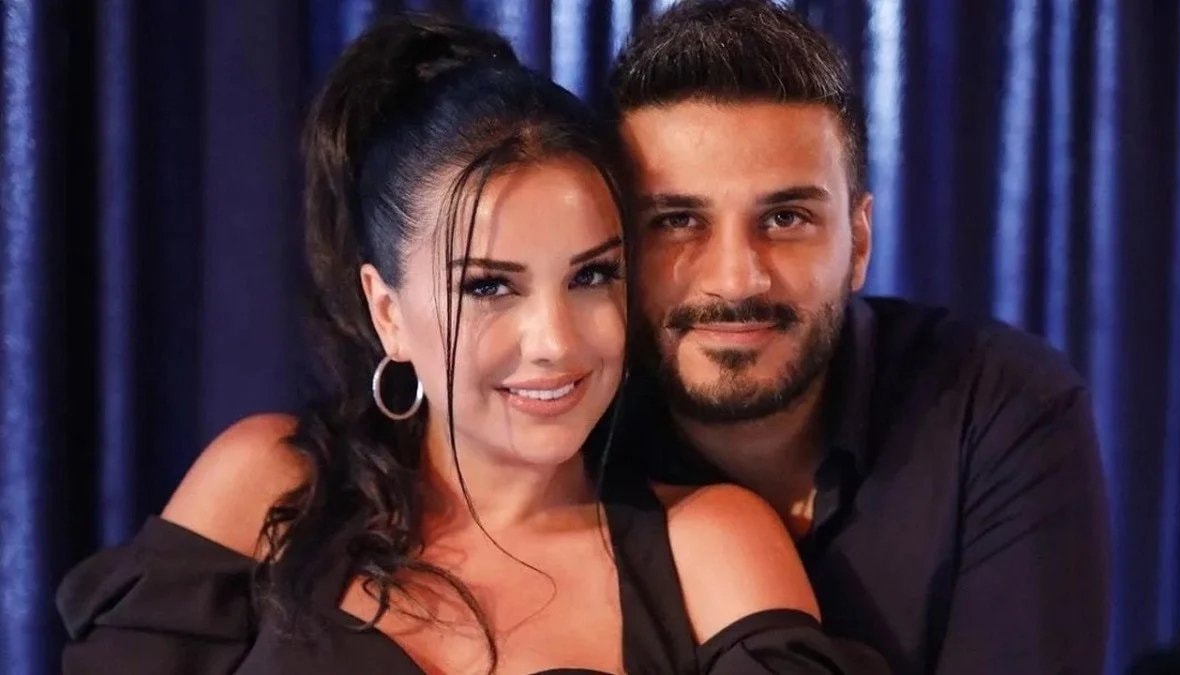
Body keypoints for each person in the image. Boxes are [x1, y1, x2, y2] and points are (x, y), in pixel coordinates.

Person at [56, 14, 883, 675]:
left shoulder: (709, 543)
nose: (554, 341)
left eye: (592, 275)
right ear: (387, 310)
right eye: (489, 286)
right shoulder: (271, 487)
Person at [610, 1, 1111, 673]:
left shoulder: (1000, 406)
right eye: (676, 221)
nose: (735, 279)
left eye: (786, 218)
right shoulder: (572, 444)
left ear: (859, 242)